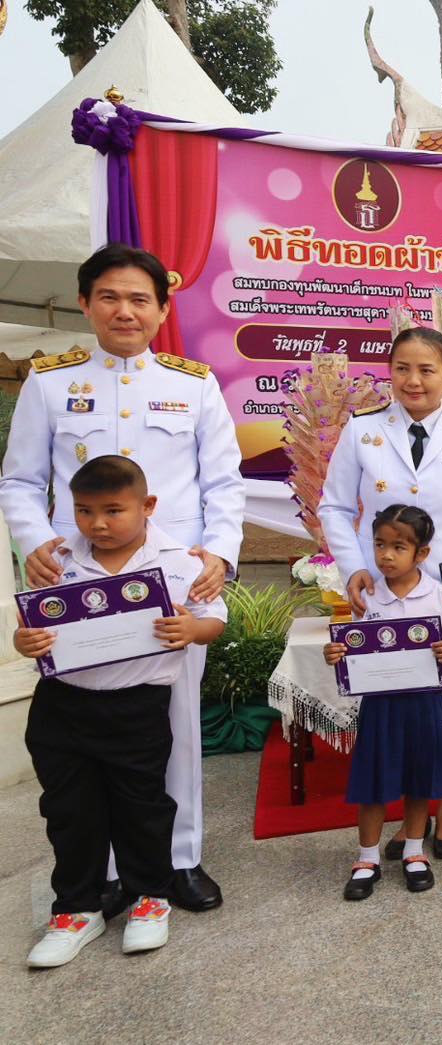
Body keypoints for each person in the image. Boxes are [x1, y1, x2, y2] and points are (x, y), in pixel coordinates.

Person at [0, 243, 244, 913]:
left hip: (171, 578)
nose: (125, 311)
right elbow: (19, 481)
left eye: (140, 299)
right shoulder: (50, 381)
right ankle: (104, 870)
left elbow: (224, 483)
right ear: (85, 304)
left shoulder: (192, 384)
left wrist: (219, 554)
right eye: (109, 297)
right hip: (78, 576)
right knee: (87, 722)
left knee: (174, 722)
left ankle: (178, 859)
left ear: (163, 309)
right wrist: (36, 543)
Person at [16, 457, 227, 967]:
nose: (98, 524)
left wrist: (192, 630)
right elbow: (31, 624)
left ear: (147, 505)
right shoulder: (56, 561)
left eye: (113, 511)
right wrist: (24, 642)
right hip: (63, 705)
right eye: (84, 511)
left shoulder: (180, 562)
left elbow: (213, 618)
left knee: (142, 807)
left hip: (137, 707)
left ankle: (150, 897)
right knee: (69, 811)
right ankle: (76, 909)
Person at [320, 327, 442, 860]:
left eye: (427, 370)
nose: (414, 380)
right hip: (383, 596)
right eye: (403, 368)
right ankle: (403, 824)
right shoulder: (363, 430)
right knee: (396, 706)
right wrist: (355, 568)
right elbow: (335, 506)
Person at [324, 506, 442, 899]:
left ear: (422, 553)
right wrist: (336, 653)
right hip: (380, 705)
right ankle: (366, 858)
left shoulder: (440, 595)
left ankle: (414, 851)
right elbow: (353, 643)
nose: (386, 555)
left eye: (398, 547)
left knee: (419, 778)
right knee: (374, 780)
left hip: (425, 703)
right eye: (379, 545)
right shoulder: (367, 595)